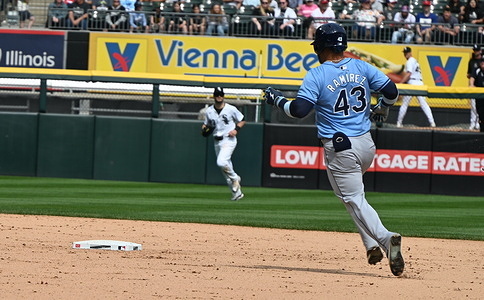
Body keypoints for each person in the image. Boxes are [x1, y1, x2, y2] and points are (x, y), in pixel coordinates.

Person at [263, 23, 404, 277]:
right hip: (366, 144)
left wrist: (277, 100)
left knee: (353, 199)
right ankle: (370, 244)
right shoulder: (360, 66)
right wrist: (383, 106)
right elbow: (392, 91)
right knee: (352, 197)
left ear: (322, 46)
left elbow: (299, 111)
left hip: (341, 148)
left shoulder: (317, 74)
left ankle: (385, 238)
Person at [201, 87, 246, 201]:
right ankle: (237, 194)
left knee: (221, 162)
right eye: (217, 95)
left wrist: (236, 129)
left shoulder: (231, 109)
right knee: (226, 169)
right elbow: (206, 125)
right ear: (214, 96)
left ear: (223, 96)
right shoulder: (209, 111)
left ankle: (236, 178)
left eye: (221, 94)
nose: (219, 97)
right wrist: (204, 128)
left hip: (228, 140)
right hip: (217, 140)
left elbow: (242, 119)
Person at [396, 47, 436, 128]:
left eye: (407, 53)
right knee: (424, 104)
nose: (405, 54)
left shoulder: (410, 61)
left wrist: (400, 83)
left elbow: (408, 74)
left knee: (405, 104)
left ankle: (399, 123)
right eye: (404, 53)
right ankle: (432, 123)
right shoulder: (415, 61)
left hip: (412, 83)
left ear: (410, 53)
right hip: (420, 83)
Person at [467, 44, 482, 130]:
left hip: (481, 86)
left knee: (480, 106)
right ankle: (472, 123)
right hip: (474, 86)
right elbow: (468, 74)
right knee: (473, 106)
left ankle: (478, 122)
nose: (475, 52)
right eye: (474, 50)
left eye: (477, 50)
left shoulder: (482, 61)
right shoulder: (471, 61)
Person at [469, 58, 484, 132]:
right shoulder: (477, 70)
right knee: (479, 111)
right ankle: (480, 127)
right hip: (479, 95)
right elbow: (472, 78)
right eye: (482, 62)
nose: (482, 63)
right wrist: (472, 85)